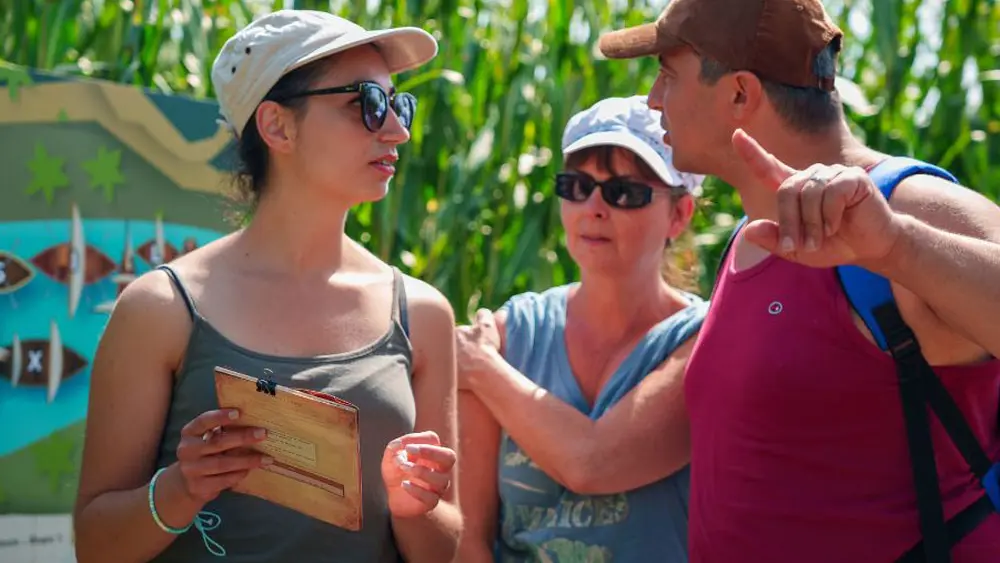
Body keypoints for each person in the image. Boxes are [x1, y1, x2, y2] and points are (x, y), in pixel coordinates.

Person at [598, 1, 1000, 562]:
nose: (653, 98)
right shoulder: (748, 238)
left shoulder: (907, 205)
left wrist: (899, 247)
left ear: (740, 94)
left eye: (667, 75)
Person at [72, 10, 461, 563]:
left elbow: (443, 547)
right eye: (367, 103)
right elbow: (95, 545)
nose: (397, 129)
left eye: (399, 105)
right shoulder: (160, 309)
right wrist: (180, 490)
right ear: (277, 126)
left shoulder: (423, 314)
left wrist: (413, 507)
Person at [454, 95, 708, 563]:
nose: (593, 207)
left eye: (623, 192)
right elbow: (468, 538)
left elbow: (593, 465)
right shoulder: (511, 335)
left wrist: (481, 368)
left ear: (680, 214)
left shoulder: (705, 342)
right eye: (576, 186)